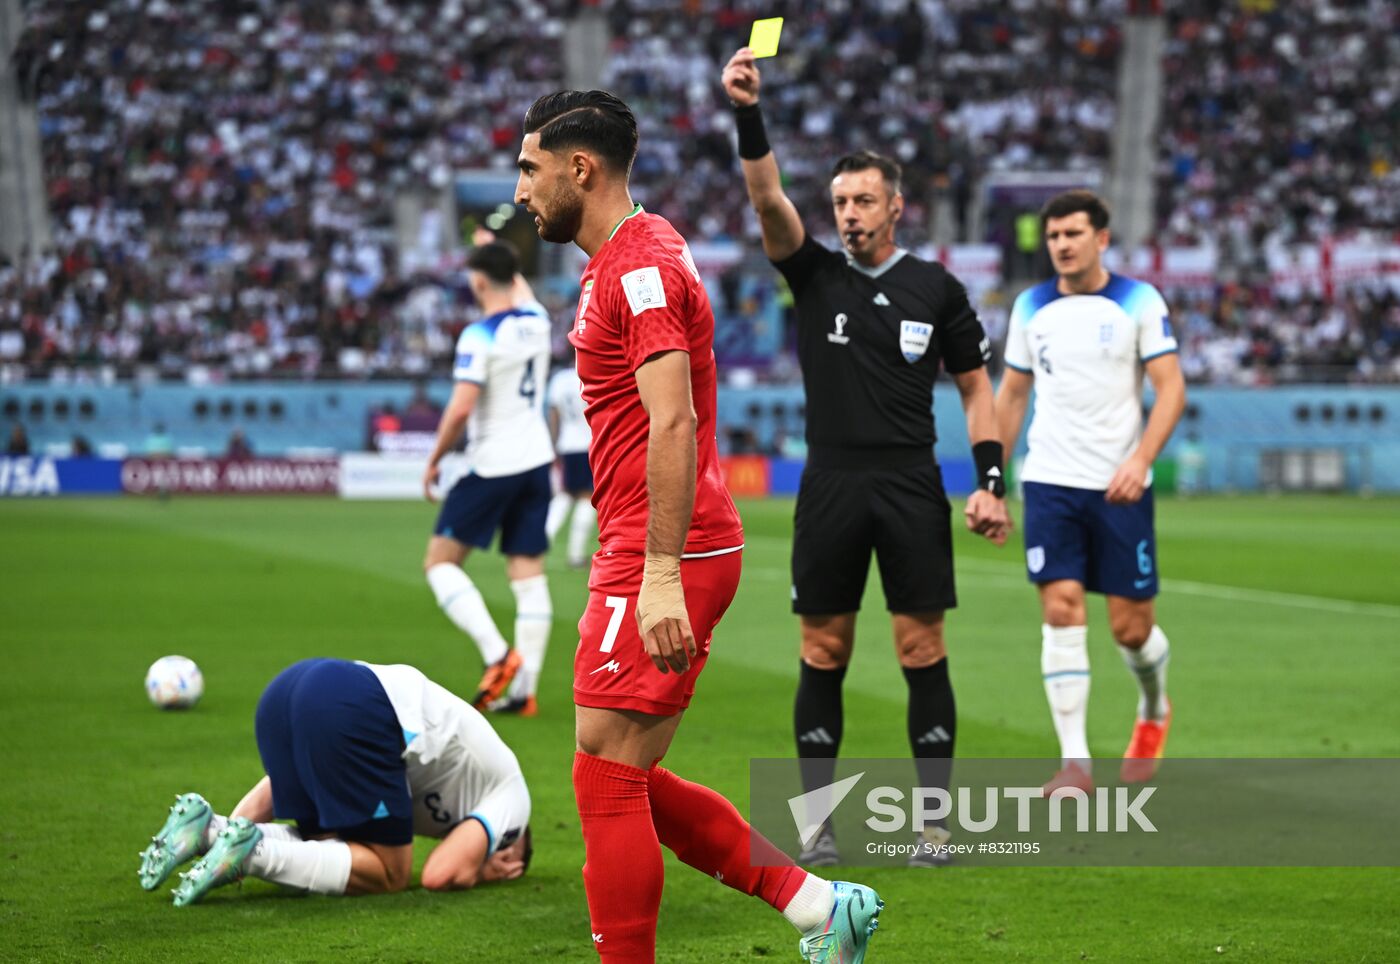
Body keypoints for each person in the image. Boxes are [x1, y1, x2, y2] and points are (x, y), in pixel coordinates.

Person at [515, 89, 882, 963]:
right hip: (646, 540)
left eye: (529, 170)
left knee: (604, 778)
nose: (520, 191)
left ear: (580, 168)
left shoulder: (640, 268)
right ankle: (817, 905)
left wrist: (660, 571)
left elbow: (672, 421)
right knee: (618, 771)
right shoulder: (624, 255)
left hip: (664, 546)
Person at [722, 48, 1011, 867]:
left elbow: (975, 388)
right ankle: (818, 827)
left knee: (922, 648)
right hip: (832, 483)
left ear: (895, 208)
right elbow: (765, 196)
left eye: (862, 201)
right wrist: (749, 110)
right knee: (823, 649)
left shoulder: (938, 290)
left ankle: (933, 828)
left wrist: (990, 480)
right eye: (840, 201)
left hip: (912, 481)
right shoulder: (813, 276)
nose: (848, 213)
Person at [994, 189, 1187, 793]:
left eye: (1074, 234)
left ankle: (1154, 709)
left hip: (1120, 487)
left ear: (1101, 239)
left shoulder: (1138, 300)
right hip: (1049, 481)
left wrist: (1141, 458)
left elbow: (1171, 388)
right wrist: (991, 480)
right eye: (1053, 236)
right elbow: (1013, 396)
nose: (1062, 245)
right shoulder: (1030, 307)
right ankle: (1075, 762)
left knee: (1130, 629)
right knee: (1060, 608)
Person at [137, 658, 532, 906]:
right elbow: (440, 874)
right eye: (509, 859)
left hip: (289, 689)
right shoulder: (511, 797)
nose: (501, 858)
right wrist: (481, 870)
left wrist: (227, 831)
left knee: (333, 847)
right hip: (357, 703)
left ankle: (207, 828)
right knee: (391, 873)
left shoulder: (455, 790)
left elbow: (280, 783)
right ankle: (255, 853)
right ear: (514, 842)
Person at [422, 241, 554, 717]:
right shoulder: (537, 323)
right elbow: (516, 283)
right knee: (527, 575)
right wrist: (496, 254)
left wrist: (435, 458)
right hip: (537, 460)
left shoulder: (479, 335)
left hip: (493, 464)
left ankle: (499, 656)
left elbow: (460, 407)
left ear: (478, 282)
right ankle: (526, 691)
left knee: (440, 563)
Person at [544, 347, 597, 568]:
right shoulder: (592, 374)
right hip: (590, 443)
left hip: (567, 444)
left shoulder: (559, 379)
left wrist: (554, 444)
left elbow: (553, 413)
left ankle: (540, 540)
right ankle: (575, 556)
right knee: (587, 497)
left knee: (565, 494)